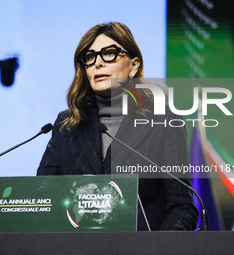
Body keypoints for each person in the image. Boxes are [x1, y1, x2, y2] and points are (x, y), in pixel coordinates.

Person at [37, 22, 198, 231]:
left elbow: (182, 207)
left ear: (134, 65)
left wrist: (157, 249)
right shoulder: (66, 125)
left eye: (109, 53)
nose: (98, 63)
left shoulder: (164, 120)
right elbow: (42, 200)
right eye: (90, 57)